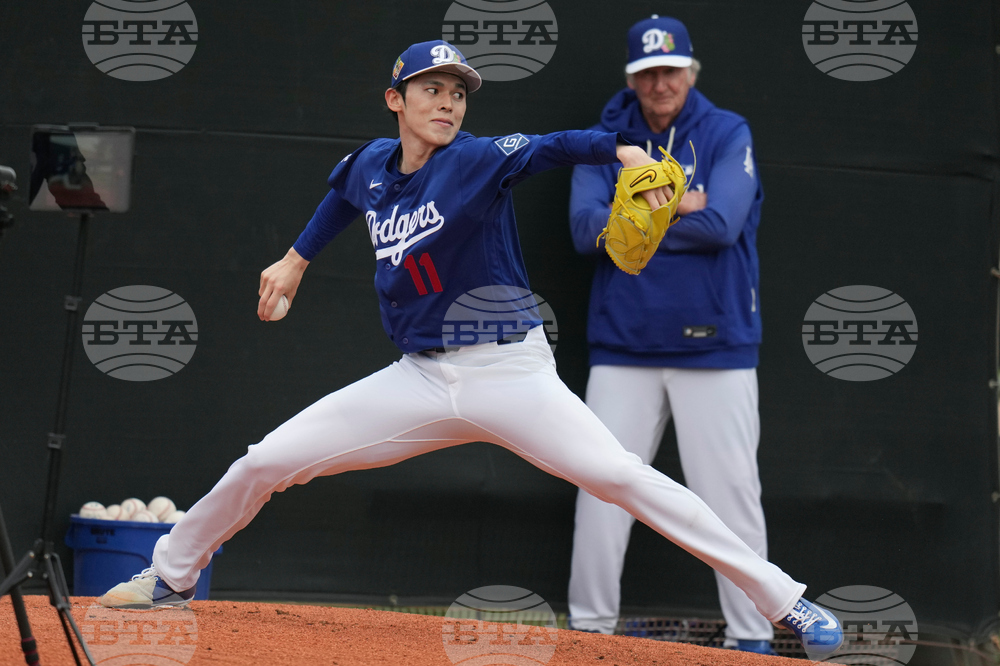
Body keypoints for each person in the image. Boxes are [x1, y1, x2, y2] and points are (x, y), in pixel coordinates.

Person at [98, 39, 842, 656]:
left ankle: (787, 602)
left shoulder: (480, 158)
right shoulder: (369, 165)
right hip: (419, 379)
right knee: (266, 460)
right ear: (396, 99)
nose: (449, 101)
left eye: (458, 90)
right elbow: (342, 196)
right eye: (432, 88)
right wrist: (295, 259)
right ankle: (171, 573)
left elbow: (557, 146)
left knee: (622, 476)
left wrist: (624, 155)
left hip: (509, 371)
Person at [566, 15, 778, 654]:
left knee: (731, 499)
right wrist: (678, 198)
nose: (661, 84)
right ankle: (588, 635)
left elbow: (721, 224)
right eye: (648, 73)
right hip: (623, 345)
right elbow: (582, 231)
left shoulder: (725, 129)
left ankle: (751, 639)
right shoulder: (607, 137)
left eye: (671, 70)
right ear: (632, 79)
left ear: (691, 72)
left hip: (716, 347)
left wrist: (631, 216)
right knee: (600, 491)